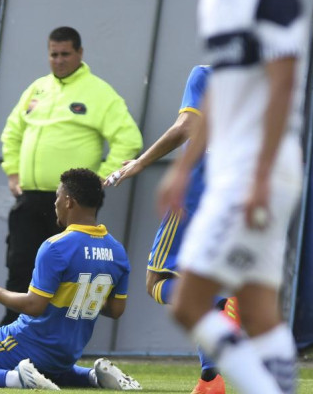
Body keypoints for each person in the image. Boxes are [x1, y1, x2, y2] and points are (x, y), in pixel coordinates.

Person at [157, 0, 306, 393]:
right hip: (233, 173)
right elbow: (218, 93)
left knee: (186, 301)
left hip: (257, 172)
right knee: (257, 311)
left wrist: (259, 177)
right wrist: (183, 168)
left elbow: (283, 83)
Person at [0, 168, 141, 391]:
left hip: (28, 341)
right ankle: (94, 377)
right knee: (48, 370)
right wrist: (81, 294)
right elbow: (116, 310)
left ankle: (18, 379)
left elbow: (34, 306)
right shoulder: (117, 250)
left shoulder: (56, 246)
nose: (55, 203)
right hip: (67, 352)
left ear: (69, 202)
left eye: (57, 196)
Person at [105, 65, 238, 394]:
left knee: (157, 282)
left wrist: (141, 162)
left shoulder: (206, 74)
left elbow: (186, 126)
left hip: (195, 196)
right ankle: (211, 380)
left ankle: (223, 302)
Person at [0, 26, 143, 326]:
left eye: (66, 54)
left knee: (69, 271)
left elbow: (128, 140)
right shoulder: (36, 88)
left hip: (72, 202)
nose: (59, 60)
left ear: (80, 53)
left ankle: (58, 333)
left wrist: (100, 180)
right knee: (20, 264)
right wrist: (13, 172)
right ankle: (13, 330)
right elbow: (12, 133)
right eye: (54, 54)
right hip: (32, 196)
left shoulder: (99, 92)